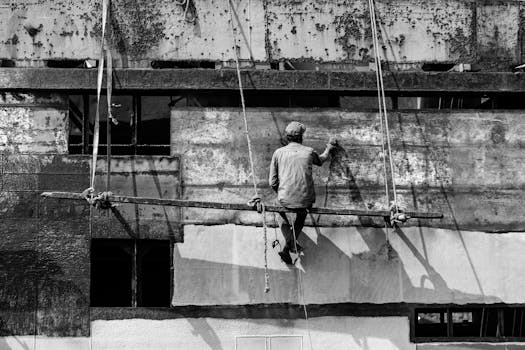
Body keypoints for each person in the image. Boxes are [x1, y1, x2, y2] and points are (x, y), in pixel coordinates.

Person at [269, 121, 337, 264]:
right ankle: (289, 246)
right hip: (305, 199)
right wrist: (329, 148)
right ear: (301, 137)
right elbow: (321, 160)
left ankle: (289, 243)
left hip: (285, 198)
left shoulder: (278, 153)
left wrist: (282, 193)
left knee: (278, 208)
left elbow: (272, 182)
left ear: (287, 137)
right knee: (302, 212)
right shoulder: (309, 151)